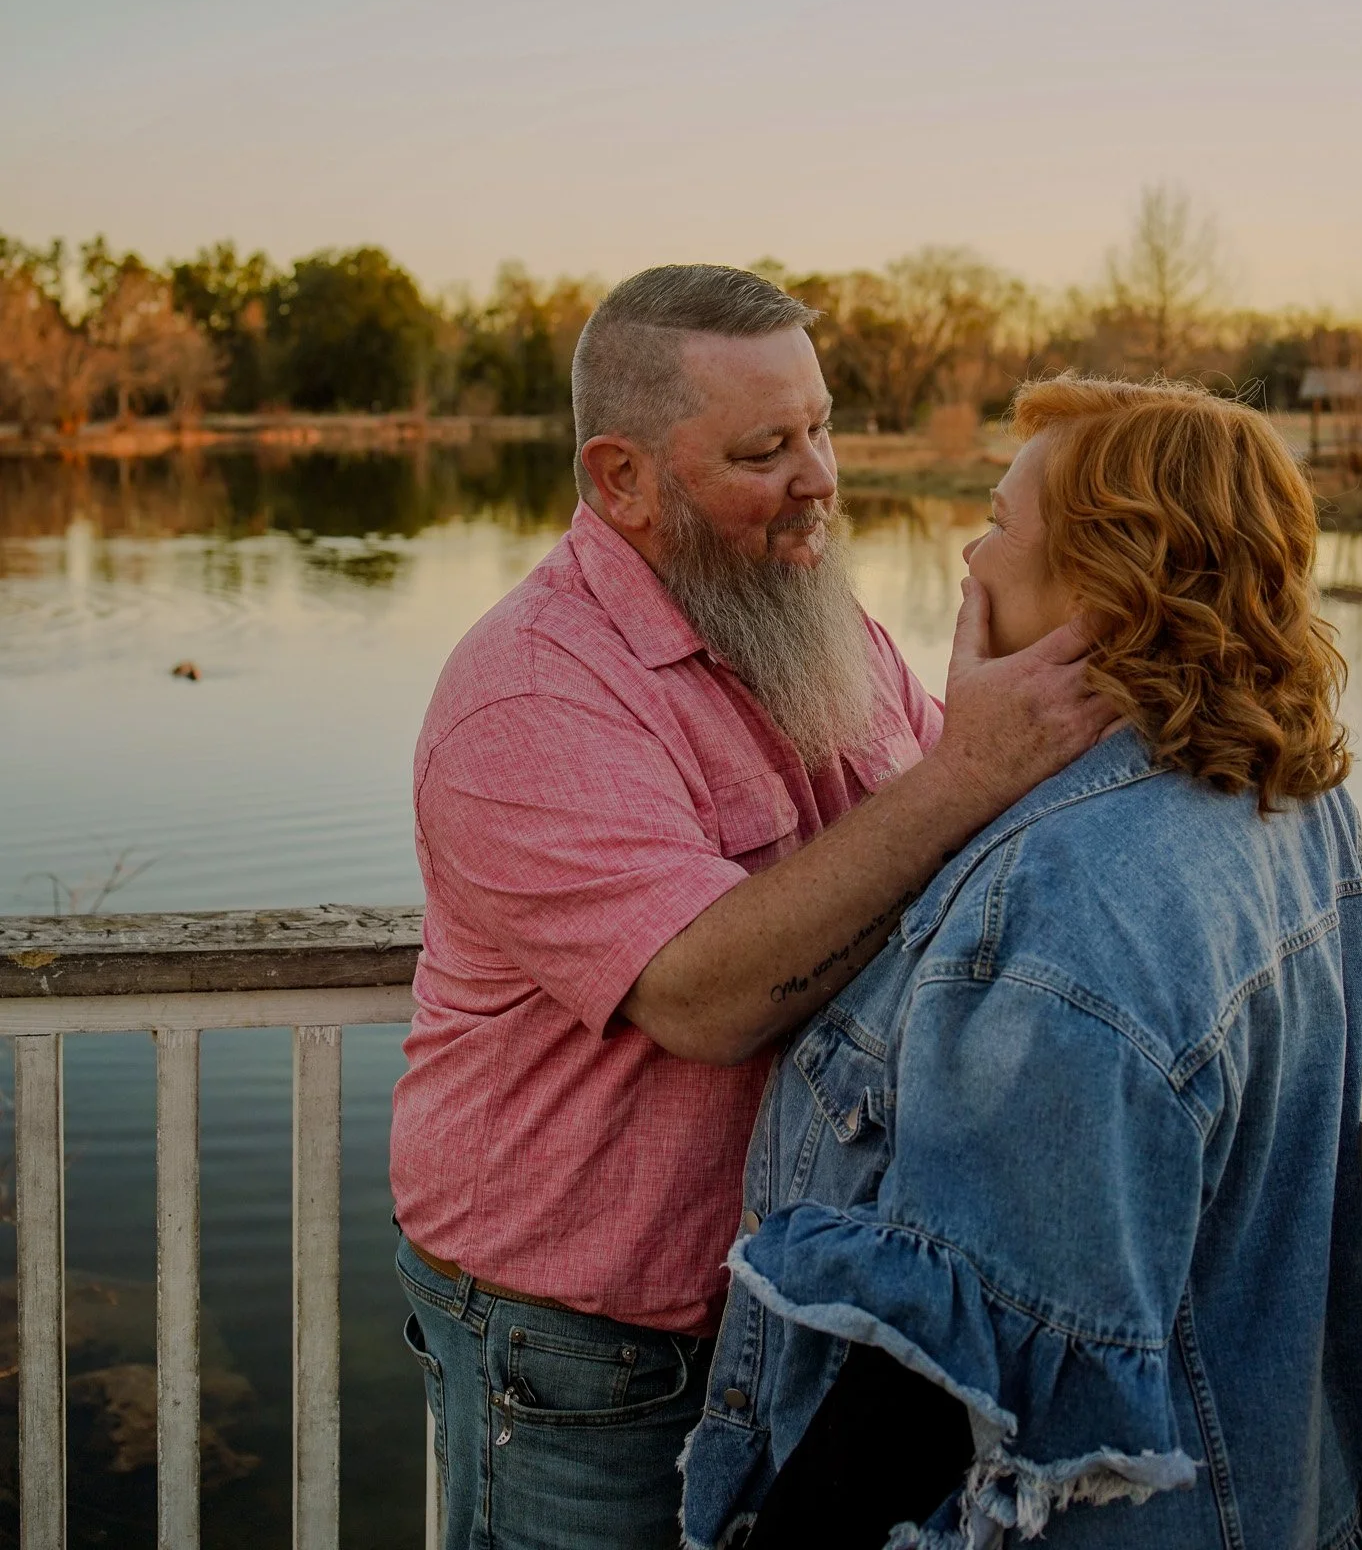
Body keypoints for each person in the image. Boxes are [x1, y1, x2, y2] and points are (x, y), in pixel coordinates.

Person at [389, 265, 1111, 1550]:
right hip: (583, 1354)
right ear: (621, 478)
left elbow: (968, 831)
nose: (819, 475)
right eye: (764, 449)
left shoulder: (818, 620)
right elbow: (705, 996)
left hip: (787, 1315)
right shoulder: (530, 695)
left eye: (821, 427)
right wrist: (968, 770)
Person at [681, 374, 1362, 1550]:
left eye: (1000, 521)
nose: (970, 550)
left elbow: (949, 1375)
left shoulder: (1069, 902)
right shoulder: (1294, 799)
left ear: (1101, 588)